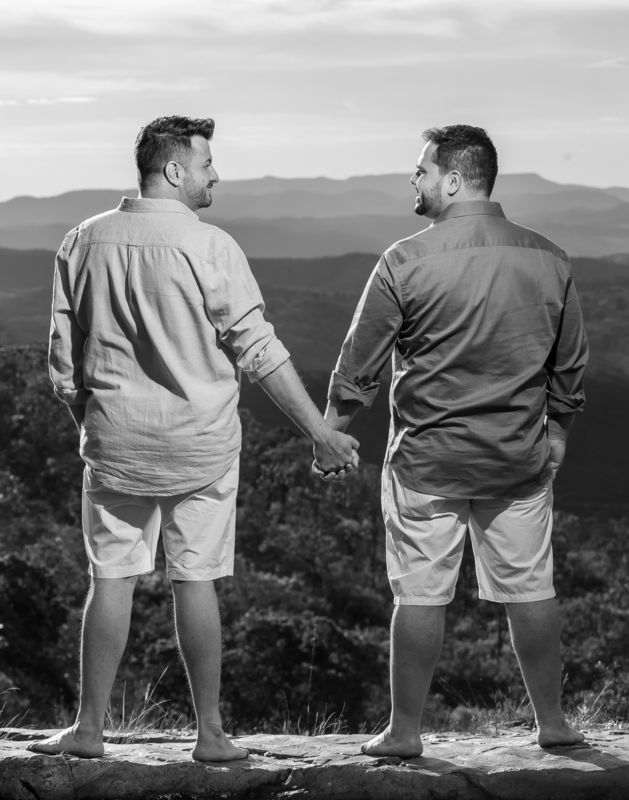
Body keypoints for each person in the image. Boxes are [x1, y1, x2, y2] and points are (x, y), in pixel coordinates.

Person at [32, 115, 359, 762]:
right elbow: (258, 350)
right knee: (197, 582)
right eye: (208, 165)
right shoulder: (212, 248)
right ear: (175, 170)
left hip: (116, 447)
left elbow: (63, 368)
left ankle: (89, 730)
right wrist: (320, 433)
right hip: (203, 448)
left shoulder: (81, 242)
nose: (216, 176)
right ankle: (210, 734)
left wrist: (93, 433)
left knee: (112, 579)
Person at [323, 125, 589, 758]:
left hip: (425, 462)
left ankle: (405, 732)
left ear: (452, 179)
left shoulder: (404, 260)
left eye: (420, 171)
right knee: (531, 589)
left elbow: (360, 361)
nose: (412, 180)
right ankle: (552, 724)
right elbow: (571, 364)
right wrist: (555, 435)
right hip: (517, 460)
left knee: (418, 594)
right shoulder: (550, 257)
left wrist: (329, 432)